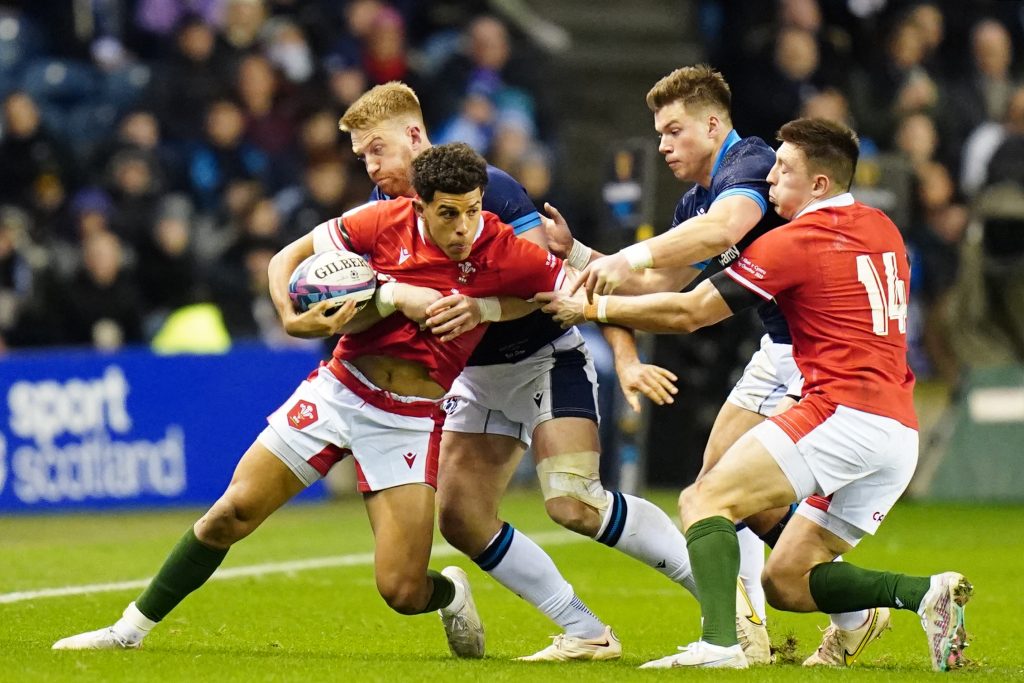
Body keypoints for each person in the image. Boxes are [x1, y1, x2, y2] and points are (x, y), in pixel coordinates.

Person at [50, 143, 565, 657]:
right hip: (339, 389)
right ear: (420, 205)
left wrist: (487, 308)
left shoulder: (500, 248)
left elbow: (570, 287)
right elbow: (287, 258)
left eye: (473, 211)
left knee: (403, 591)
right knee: (231, 512)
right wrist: (301, 315)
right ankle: (127, 631)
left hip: (407, 421)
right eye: (448, 213)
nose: (462, 228)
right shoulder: (380, 220)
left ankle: (450, 593)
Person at [539, 118, 971, 671]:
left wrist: (594, 309)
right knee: (788, 578)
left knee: (704, 499)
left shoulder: (795, 241)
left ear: (819, 184)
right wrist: (584, 257)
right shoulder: (880, 225)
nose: (770, 179)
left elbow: (688, 310)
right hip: (897, 429)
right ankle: (925, 595)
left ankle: (722, 646)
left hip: (841, 412)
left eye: (784, 170)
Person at [339, 81, 724, 662]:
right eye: (362, 156)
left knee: (574, 503)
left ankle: (726, 601)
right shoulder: (384, 209)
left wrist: (618, 354)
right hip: (474, 378)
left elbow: (561, 283)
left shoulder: (489, 189)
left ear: (414, 136)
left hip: (545, 359)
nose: (370, 166)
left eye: (376, 150)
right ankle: (587, 632)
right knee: (463, 521)